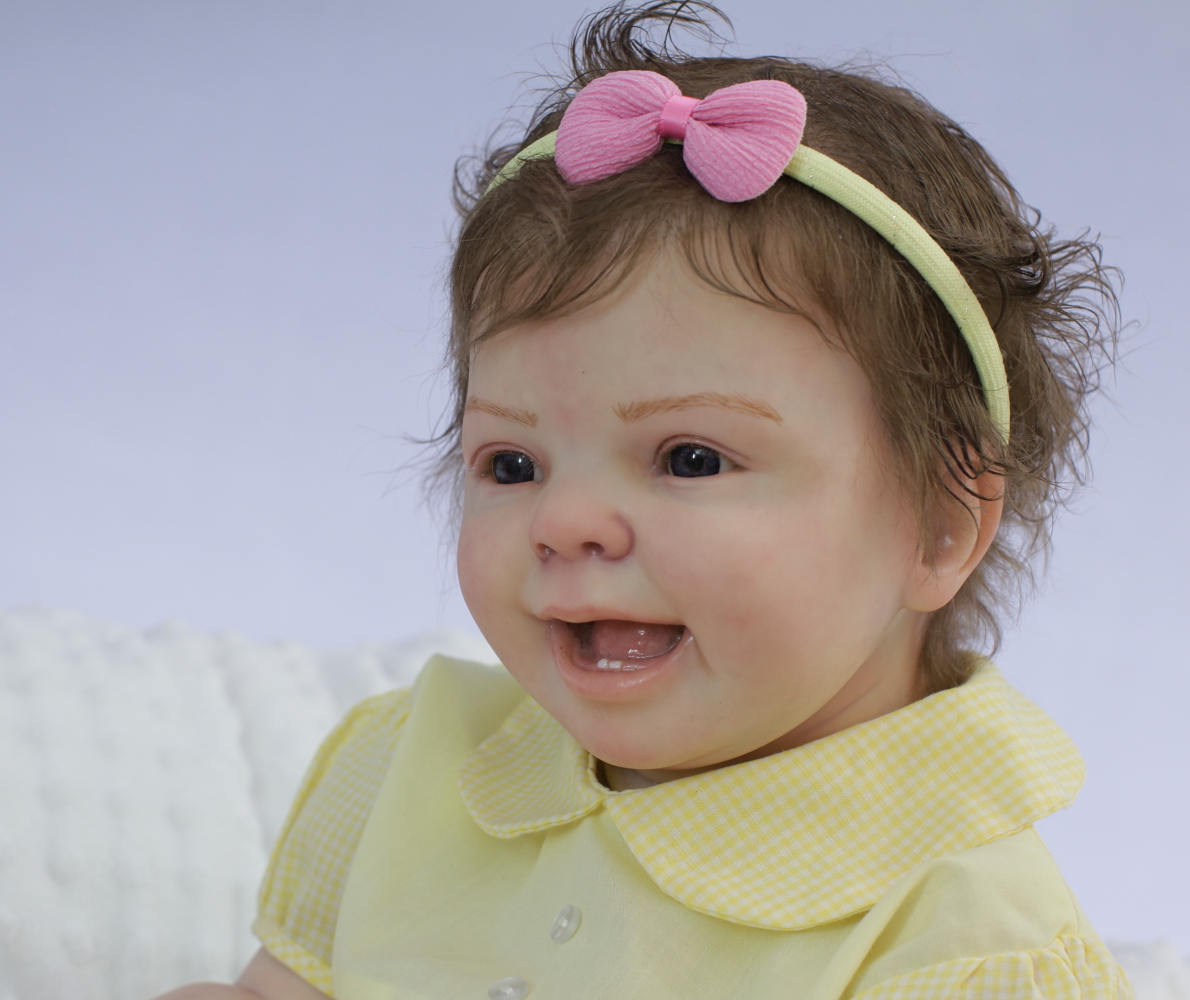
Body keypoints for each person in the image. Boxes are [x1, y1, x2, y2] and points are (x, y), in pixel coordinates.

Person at [166, 2, 1126, 998]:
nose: (564, 521)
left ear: (940, 526)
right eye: (512, 464)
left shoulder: (967, 952)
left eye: (691, 458)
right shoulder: (409, 774)